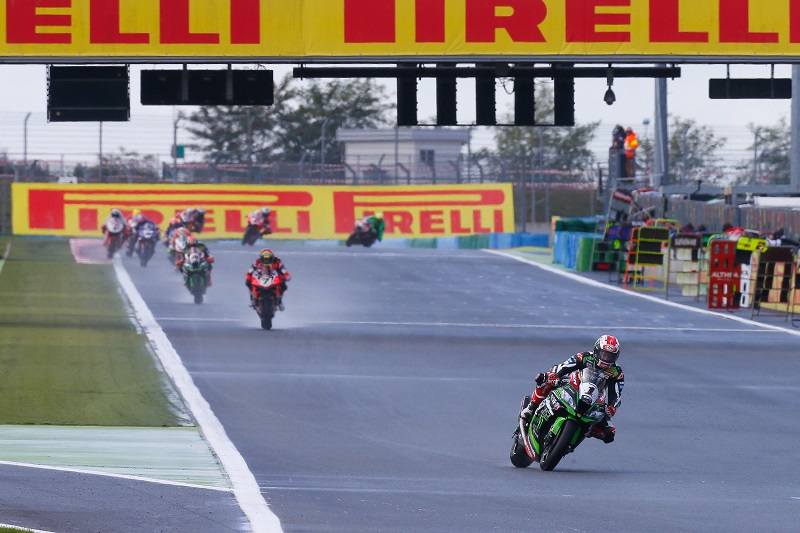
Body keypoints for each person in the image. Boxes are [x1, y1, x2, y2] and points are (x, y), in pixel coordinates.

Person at [519, 335, 625, 444]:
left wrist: (612, 407)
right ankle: (531, 408)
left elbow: (616, 395)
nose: (606, 359)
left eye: (610, 356)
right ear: (597, 351)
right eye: (604, 354)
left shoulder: (616, 372)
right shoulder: (584, 357)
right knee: (544, 380)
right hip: (573, 385)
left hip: (594, 400)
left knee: (609, 434)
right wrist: (554, 375)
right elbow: (564, 366)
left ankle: (581, 433)